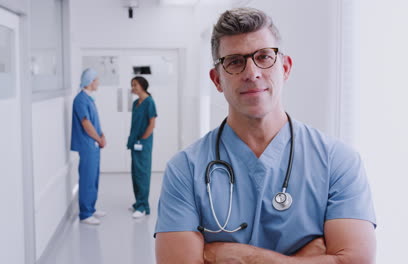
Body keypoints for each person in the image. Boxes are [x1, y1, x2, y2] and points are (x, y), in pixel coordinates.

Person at [155, 7, 376, 263]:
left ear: (285, 67)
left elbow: (354, 261)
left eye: (263, 57)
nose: (252, 73)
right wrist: (307, 258)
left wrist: (241, 256)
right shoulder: (185, 169)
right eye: (235, 62)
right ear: (217, 79)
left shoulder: (337, 160)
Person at [71, 68, 107, 225]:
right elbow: (86, 124)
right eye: (97, 79)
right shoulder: (80, 100)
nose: (98, 82)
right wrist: (99, 139)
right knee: (87, 178)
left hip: (93, 144)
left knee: (93, 177)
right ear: (90, 81)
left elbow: (94, 122)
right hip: (87, 144)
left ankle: (91, 208)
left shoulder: (89, 99)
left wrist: (102, 135)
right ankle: (85, 213)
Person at [127, 76, 158, 219]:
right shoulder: (135, 103)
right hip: (135, 142)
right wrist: (134, 140)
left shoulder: (149, 102)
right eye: (132, 85)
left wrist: (142, 140)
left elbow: (152, 124)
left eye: (135, 85)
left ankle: (143, 206)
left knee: (142, 174)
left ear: (143, 86)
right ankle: (138, 202)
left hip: (143, 143)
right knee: (135, 173)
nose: (133, 87)